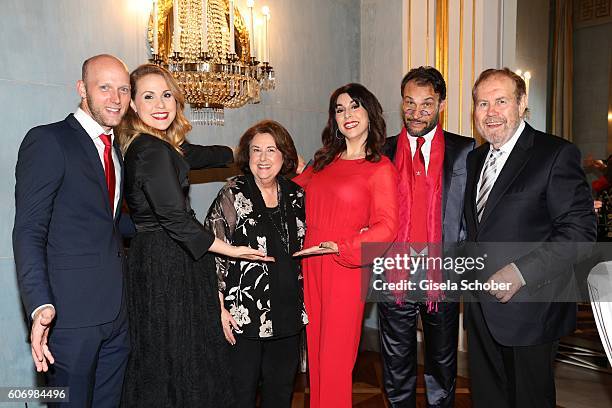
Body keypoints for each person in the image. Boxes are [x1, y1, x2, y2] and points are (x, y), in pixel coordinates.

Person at [116, 64, 270, 407]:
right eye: (149, 96)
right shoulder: (152, 150)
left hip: (156, 258)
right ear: (133, 106)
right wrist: (232, 251)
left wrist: (247, 154)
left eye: (167, 95)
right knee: (179, 357)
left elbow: (199, 154)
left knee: (165, 356)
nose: (160, 104)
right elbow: (176, 220)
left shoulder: (155, 144)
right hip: (169, 262)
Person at [463, 68, 597, 408]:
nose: (490, 112)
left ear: (522, 104)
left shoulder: (555, 154)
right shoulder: (476, 159)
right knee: (489, 399)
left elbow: (580, 233)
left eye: (501, 101)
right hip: (480, 310)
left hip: (532, 309)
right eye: (482, 103)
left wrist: (520, 273)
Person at [13, 54, 131, 407]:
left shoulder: (114, 150)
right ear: (82, 89)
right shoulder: (48, 141)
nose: (116, 98)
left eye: (123, 89)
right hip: (67, 320)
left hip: (115, 317)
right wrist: (39, 305)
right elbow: (29, 230)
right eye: (105, 87)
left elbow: (104, 221)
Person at [293, 83, 399, 408]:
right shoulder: (324, 161)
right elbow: (291, 193)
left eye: (354, 106)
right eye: (340, 109)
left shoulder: (380, 168)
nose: (347, 114)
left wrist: (342, 246)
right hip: (312, 263)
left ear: (370, 112)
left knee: (336, 359)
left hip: (345, 266)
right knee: (318, 355)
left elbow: (388, 227)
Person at [378, 66, 474, 407]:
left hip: (442, 277)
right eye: (409, 102)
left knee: (442, 369)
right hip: (394, 277)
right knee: (396, 368)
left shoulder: (466, 151)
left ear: (442, 105)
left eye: (426, 104)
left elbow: (475, 213)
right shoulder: (383, 151)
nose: (416, 112)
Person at [204, 120, 307, 407]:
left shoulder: (297, 195)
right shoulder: (232, 195)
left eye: (271, 150)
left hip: (288, 315)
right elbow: (211, 254)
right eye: (256, 150)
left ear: (284, 156)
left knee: (280, 393)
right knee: (240, 394)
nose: (263, 158)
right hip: (243, 317)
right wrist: (219, 308)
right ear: (247, 156)